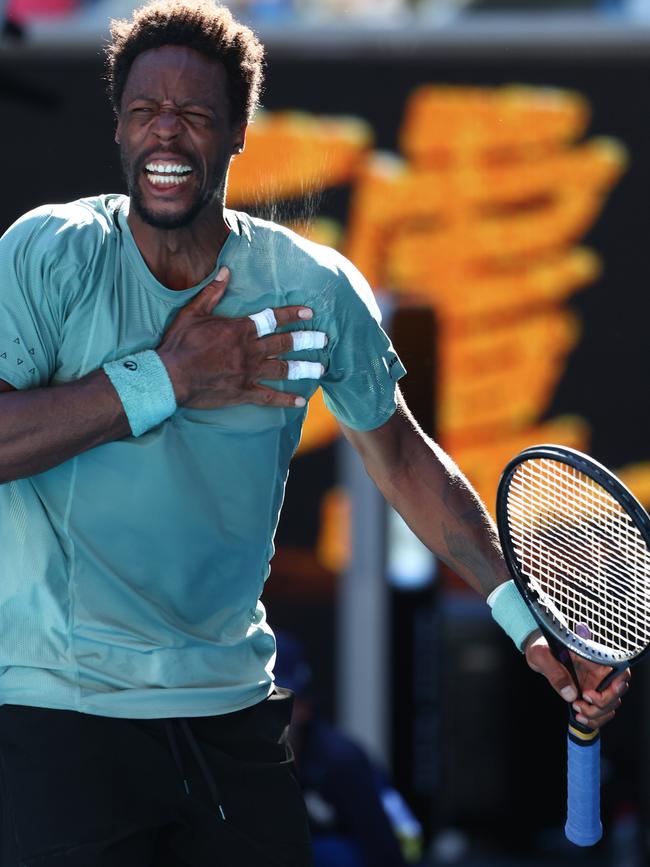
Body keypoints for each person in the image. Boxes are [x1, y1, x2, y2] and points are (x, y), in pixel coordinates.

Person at [0, 1, 629, 865]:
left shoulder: (312, 286)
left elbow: (404, 458)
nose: (166, 136)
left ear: (237, 132)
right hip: (59, 717)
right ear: (117, 125)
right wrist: (171, 377)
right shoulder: (47, 252)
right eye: (146, 111)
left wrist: (525, 616)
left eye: (193, 115)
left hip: (231, 718)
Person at [274, 630, 421, 867]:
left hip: (368, 853)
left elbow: (395, 844)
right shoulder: (230, 759)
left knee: (330, 854)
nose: (262, 715)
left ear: (304, 708)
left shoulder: (340, 762)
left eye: (276, 701)